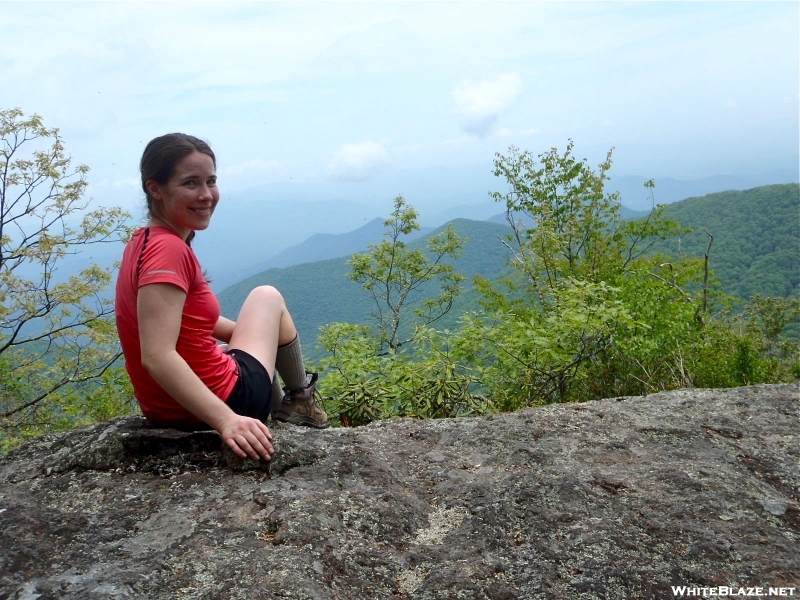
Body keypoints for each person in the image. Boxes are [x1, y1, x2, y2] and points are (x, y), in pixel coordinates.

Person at [115, 133, 327, 463]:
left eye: (210, 181)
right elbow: (156, 356)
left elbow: (186, 321)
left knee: (237, 343)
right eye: (190, 183)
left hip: (165, 408)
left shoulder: (143, 242)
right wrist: (227, 421)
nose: (206, 195)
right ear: (155, 188)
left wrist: (253, 339)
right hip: (226, 402)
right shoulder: (169, 250)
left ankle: (284, 390)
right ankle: (301, 400)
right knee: (266, 296)